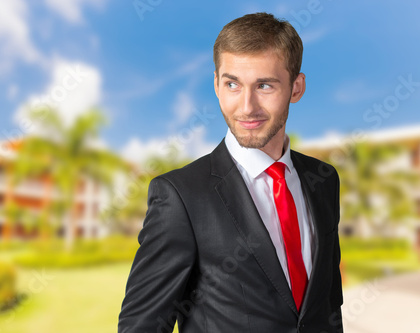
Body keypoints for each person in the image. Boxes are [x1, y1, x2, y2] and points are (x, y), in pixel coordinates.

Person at [119, 12, 343, 333]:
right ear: (216, 85)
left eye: (264, 85)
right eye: (232, 84)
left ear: (296, 88)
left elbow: (328, 304)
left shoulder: (323, 179)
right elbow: (142, 325)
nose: (246, 106)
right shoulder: (181, 196)